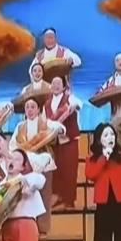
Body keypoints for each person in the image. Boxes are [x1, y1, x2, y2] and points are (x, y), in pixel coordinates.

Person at [10, 98, 66, 235]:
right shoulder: (20, 126)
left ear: (38, 109)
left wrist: (58, 130)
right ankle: (29, 227)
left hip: (44, 164)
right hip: (26, 166)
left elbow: (61, 128)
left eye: (32, 107)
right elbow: (12, 145)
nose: (30, 110)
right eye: (27, 107)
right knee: (27, 197)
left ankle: (43, 228)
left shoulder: (46, 123)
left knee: (45, 196)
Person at [43, 76, 82, 210]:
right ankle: (58, 197)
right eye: (53, 83)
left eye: (59, 83)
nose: (56, 85)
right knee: (56, 170)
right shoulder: (47, 103)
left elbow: (78, 104)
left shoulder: (69, 98)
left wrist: (74, 106)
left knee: (69, 170)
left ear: (64, 86)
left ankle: (69, 200)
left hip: (69, 140)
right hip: (55, 142)